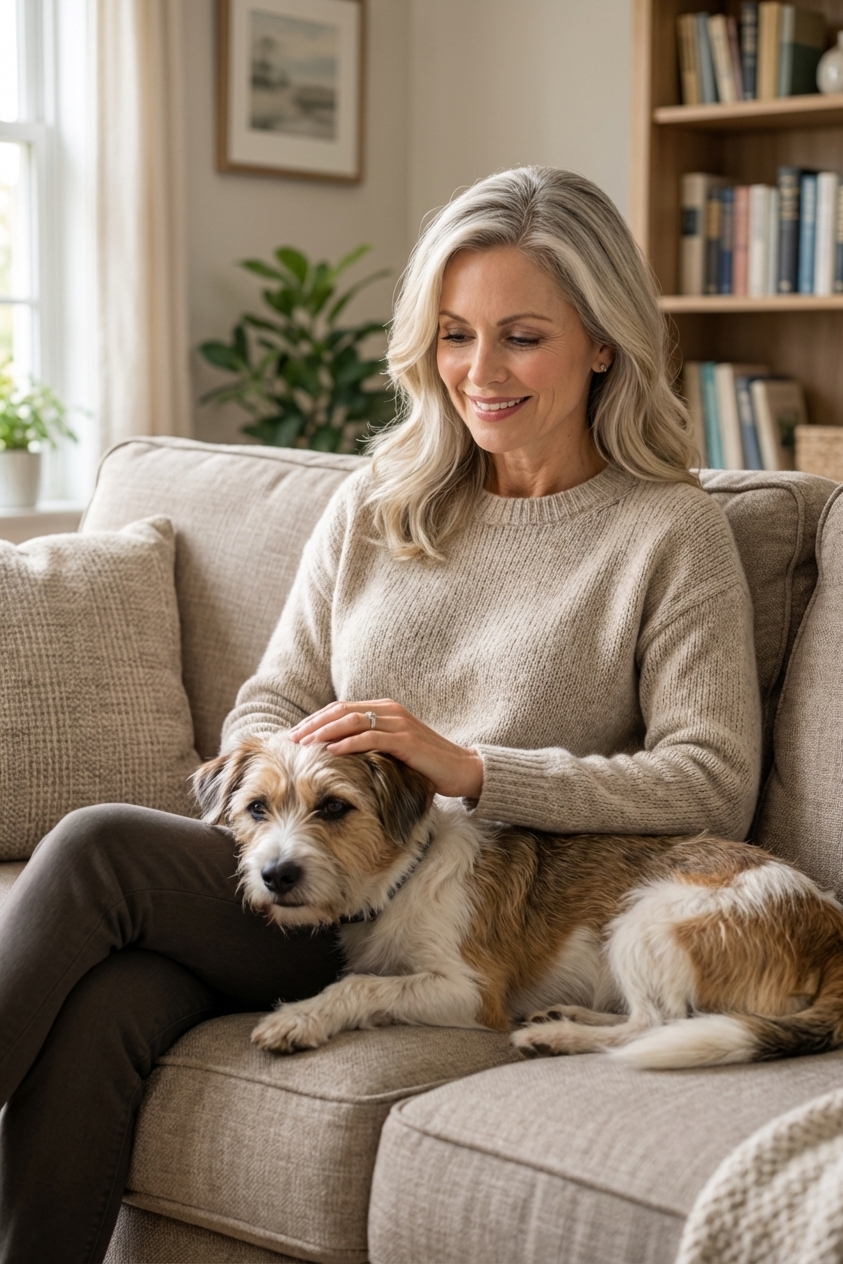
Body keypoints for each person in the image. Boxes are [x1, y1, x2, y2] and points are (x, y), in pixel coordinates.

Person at [0, 166, 761, 1263]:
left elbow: (710, 778)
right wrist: (303, 770)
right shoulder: (380, 498)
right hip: (319, 878)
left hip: (455, 924)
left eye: (521, 336)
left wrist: (464, 766)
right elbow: (271, 693)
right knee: (110, 966)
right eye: (454, 334)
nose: (478, 373)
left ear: (604, 341)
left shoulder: (667, 533)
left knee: (99, 866)